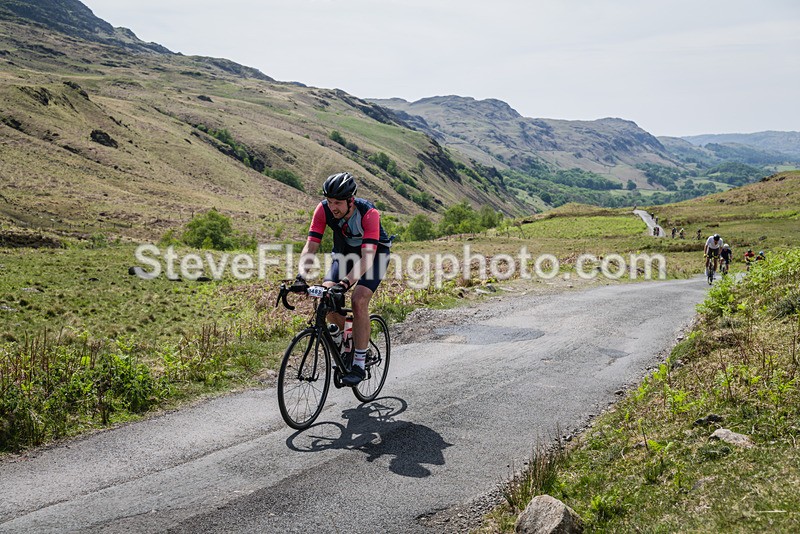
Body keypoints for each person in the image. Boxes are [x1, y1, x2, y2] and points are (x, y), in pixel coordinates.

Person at [296, 172, 393, 386]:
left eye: (338, 202)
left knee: (358, 300)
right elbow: (311, 245)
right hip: (345, 254)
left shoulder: (369, 213)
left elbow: (367, 258)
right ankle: (344, 337)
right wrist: (300, 277)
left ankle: (359, 360)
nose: (333, 207)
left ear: (351, 200)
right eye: (330, 201)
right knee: (326, 298)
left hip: (375, 256)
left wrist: (345, 284)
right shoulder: (323, 210)